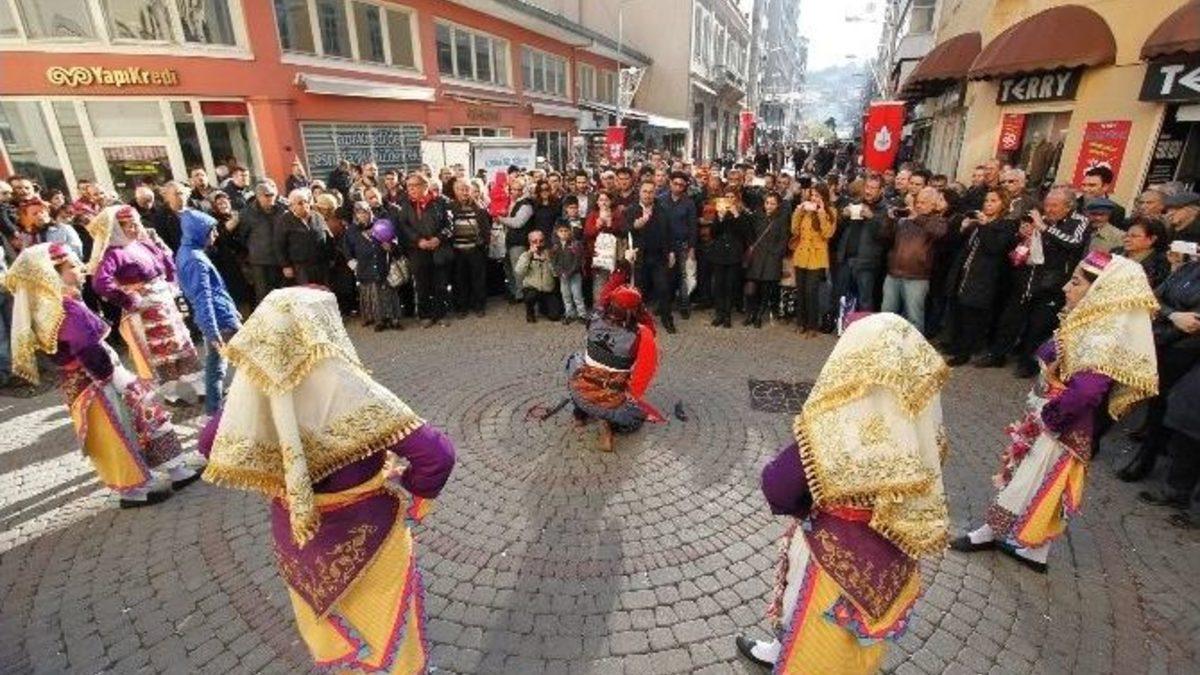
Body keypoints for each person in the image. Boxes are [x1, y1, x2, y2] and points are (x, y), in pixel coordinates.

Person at [199, 286, 455, 674]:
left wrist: (278, 472)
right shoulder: (348, 388)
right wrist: (410, 487)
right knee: (388, 622)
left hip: (297, 533)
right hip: (368, 531)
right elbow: (437, 454)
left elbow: (210, 444)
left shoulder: (254, 392)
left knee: (333, 629)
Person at [736, 313, 950, 672]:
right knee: (854, 645)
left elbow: (779, 486)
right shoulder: (921, 432)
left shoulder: (836, 428)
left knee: (817, 637)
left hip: (833, 557)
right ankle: (781, 650)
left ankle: (792, 657)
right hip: (890, 560)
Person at [952, 252, 1157, 572]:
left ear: (1099, 291)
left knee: (1031, 478)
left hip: (1061, 424)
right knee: (1036, 478)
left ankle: (995, 533)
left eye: (1075, 282)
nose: (1065, 288)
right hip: (1053, 414)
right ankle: (1032, 550)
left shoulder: (1102, 337)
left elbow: (1087, 391)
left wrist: (1051, 418)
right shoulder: (1088, 324)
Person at [7, 243, 201, 506]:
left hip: (87, 380)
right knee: (120, 431)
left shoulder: (51, 308)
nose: (81, 269)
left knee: (139, 421)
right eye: (72, 266)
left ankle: (170, 471)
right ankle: (137, 490)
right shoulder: (65, 309)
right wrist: (109, 375)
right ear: (53, 274)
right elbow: (85, 347)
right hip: (96, 382)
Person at [87, 206, 204, 404]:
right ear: (117, 228)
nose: (135, 229)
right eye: (129, 226)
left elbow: (164, 260)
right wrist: (130, 299)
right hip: (145, 310)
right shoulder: (113, 253)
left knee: (181, 344)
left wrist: (171, 283)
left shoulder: (142, 244)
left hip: (164, 303)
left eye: (136, 224)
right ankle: (172, 395)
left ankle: (200, 388)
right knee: (161, 352)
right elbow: (100, 283)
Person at [566, 265, 663, 452]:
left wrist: (621, 269)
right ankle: (609, 424)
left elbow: (605, 295)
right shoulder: (640, 335)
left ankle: (580, 414)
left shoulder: (595, 317)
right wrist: (639, 307)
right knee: (635, 418)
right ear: (636, 311)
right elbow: (650, 328)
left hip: (581, 392)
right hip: (612, 400)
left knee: (574, 360)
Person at [175, 209, 242, 414]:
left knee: (215, 365)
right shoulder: (195, 259)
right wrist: (213, 331)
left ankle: (213, 408)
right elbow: (204, 298)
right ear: (199, 232)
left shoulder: (187, 252)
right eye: (212, 231)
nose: (216, 234)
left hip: (217, 317)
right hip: (220, 319)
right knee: (251, 361)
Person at [946, 189, 1016, 366]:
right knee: (960, 311)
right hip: (965, 272)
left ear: (1003, 204)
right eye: (986, 200)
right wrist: (963, 228)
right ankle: (957, 345)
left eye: (993, 201)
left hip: (985, 277)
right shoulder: (977, 224)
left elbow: (995, 247)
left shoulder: (1006, 225)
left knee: (973, 315)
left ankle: (965, 352)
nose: (988, 204)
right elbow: (961, 247)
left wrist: (985, 226)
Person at [880, 187, 948, 333]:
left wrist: (917, 218)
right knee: (886, 314)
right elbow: (885, 237)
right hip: (893, 274)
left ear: (933, 205)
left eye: (923, 203)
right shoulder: (905, 220)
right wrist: (889, 220)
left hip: (917, 277)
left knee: (914, 317)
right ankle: (885, 343)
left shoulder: (938, 220)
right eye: (918, 202)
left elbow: (939, 233)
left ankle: (915, 346)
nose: (918, 205)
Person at [396, 174, 452, 327]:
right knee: (421, 284)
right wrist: (418, 240)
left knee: (440, 283)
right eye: (409, 186)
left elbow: (449, 225)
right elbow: (404, 226)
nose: (411, 189)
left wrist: (438, 238)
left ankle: (441, 314)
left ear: (425, 186)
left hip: (439, 247)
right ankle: (425, 315)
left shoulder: (440, 202)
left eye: (414, 185)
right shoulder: (405, 204)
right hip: (417, 249)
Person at [345, 204, 403, 331]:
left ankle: (394, 319)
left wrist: (391, 246)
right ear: (355, 215)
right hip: (365, 266)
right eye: (359, 213)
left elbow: (395, 240)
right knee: (373, 294)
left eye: (365, 212)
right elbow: (347, 250)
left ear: (370, 212)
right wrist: (353, 264)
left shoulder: (381, 224)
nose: (363, 215)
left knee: (389, 292)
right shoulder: (351, 230)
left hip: (383, 264)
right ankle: (379, 320)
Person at [628, 181, 675, 333]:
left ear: (655, 193)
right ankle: (637, 321)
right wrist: (634, 226)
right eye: (645, 191)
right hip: (640, 256)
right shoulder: (632, 209)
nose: (648, 195)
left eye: (650, 192)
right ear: (639, 192)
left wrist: (671, 252)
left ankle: (667, 319)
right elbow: (623, 230)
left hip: (658, 256)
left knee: (663, 288)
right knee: (639, 291)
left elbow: (669, 232)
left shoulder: (662, 210)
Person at [790, 185, 836, 336]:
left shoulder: (831, 211)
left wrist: (821, 212)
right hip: (801, 254)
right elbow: (794, 230)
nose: (814, 198)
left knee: (811, 291)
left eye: (817, 196)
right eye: (812, 195)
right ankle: (801, 323)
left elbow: (828, 234)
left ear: (824, 197)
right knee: (801, 290)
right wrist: (798, 211)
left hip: (817, 257)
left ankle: (812, 326)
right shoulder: (805, 211)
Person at [742, 192, 790, 329]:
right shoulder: (757, 216)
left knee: (765, 290)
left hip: (771, 259)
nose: (769, 206)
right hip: (757, 257)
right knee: (751, 289)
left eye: (772, 203)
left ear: (778, 205)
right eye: (767, 203)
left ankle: (758, 316)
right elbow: (749, 232)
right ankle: (750, 313)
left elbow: (784, 239)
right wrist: (751, 246)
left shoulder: (781, 219)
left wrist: (776, 253)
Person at [448, 178, 490, 318]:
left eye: (467, 189)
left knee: (478, 279)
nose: (465, 192)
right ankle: (462, 307)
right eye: (461, 189)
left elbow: (486, 228)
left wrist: (484, 242)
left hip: (475, 249)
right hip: (457, 250)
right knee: (460, 280)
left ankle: (479, 306)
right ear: (455, 191)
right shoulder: (450, 207)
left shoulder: (479, 207)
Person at [239, 180, 287, 304]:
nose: (271, 198)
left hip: (281, 260)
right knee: (264, 297)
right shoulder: (247, 213)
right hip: (260, 262)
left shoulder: (283, 209)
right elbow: (242, 236)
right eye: (267, 195)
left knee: (283, 295)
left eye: (273, 195)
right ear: (258, 196)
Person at [207, 191, 254, 309]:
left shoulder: (237, 215)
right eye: (219, 204)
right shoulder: (213, 221)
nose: (223, 206)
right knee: (239, 297)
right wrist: (229, 226)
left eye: (225, 202)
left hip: (246, 260)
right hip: (229, 264)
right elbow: (219, 239)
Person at [709, 190, 749, 328]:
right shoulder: (719, 213)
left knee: (730, 286)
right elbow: (713, 233)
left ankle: (727, 315)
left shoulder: (742, 215)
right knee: (718, 285)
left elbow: (745, 233)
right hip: (719, 254)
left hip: (734, 255)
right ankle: (719, 314)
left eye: (732, 197)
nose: (730, 199)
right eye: (727, 197)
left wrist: (737, 215)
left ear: (737, 199)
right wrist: (720, 218)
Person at [276, 188, 331, 287]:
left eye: (306, 202)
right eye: (300, 203)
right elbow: (279, 245)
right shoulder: (284, 220)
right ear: (291, 207)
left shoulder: (317, 217)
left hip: (320, 264)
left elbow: (328, 236)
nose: (305, 205)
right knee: (306, 292)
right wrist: (285, 265)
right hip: (300, 267)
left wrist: (331, 257)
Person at [497, 177, 533, 303]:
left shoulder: (526, 204)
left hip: (519, 242)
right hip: (507, 241)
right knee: (509, 269)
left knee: (519, 270)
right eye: (513, 189)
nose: (516, 192)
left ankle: (521, 294)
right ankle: (515, 292)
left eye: (519, 189)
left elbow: (518, 223)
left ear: (523, 190)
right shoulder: (509, 202)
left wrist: (500, 219)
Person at [515, 230, 560, 323]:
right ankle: (530, 312)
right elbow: (519, 271)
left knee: (554, 316)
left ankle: (543, 307)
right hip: (533, 288)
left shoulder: (549, 254)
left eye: (541, 241)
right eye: (534, 241)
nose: (538, 244)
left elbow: (556, 274)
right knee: (530, 296)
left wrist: (549, 260)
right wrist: (529, 255)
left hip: (547, 289)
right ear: (530, 242)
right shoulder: (526, 255)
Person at [1115, 216, 1170, 289]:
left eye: (1134, 236)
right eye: (1126, 235)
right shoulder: (1116, 252)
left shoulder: (1160, 264)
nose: (1127, 239)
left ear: (1152, 239)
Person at [551, 221, 586, 325]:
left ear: (570, 232)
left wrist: (570, 272)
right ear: (557, 233)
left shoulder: (575, 245)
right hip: (562, 275)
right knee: (566, 295)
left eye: (566, 231)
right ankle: (569, 314)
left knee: (577, 294)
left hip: (574, 274)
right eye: (561, 231)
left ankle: (582, 314)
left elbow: (578, 260)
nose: (563, 233)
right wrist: (560, 272)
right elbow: (554, 261)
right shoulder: (556, 246)